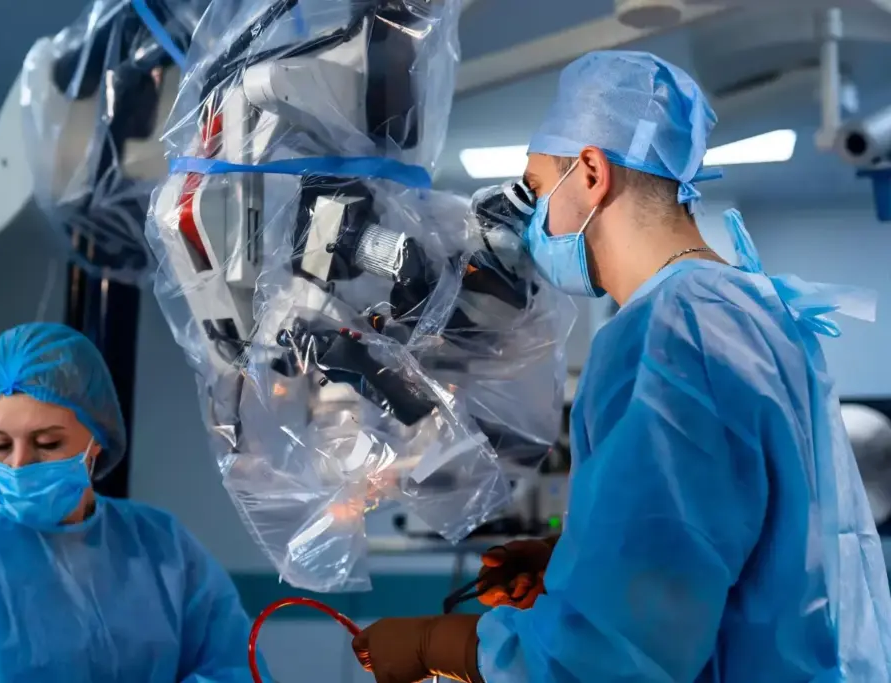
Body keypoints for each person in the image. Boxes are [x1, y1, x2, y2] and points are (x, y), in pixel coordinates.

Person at [350, 50, 891, 683]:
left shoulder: (673, 330)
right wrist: (577, 557)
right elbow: (728, 539)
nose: (528, 222)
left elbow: (613, 654)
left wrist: (435, 647)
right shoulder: (752, 309)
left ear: (589, 172)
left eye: (533, 186)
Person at [0, 322, 270, 683]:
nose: (19, 463)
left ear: (97, 439)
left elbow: (231, 667)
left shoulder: (163, 549)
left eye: (47, 443)